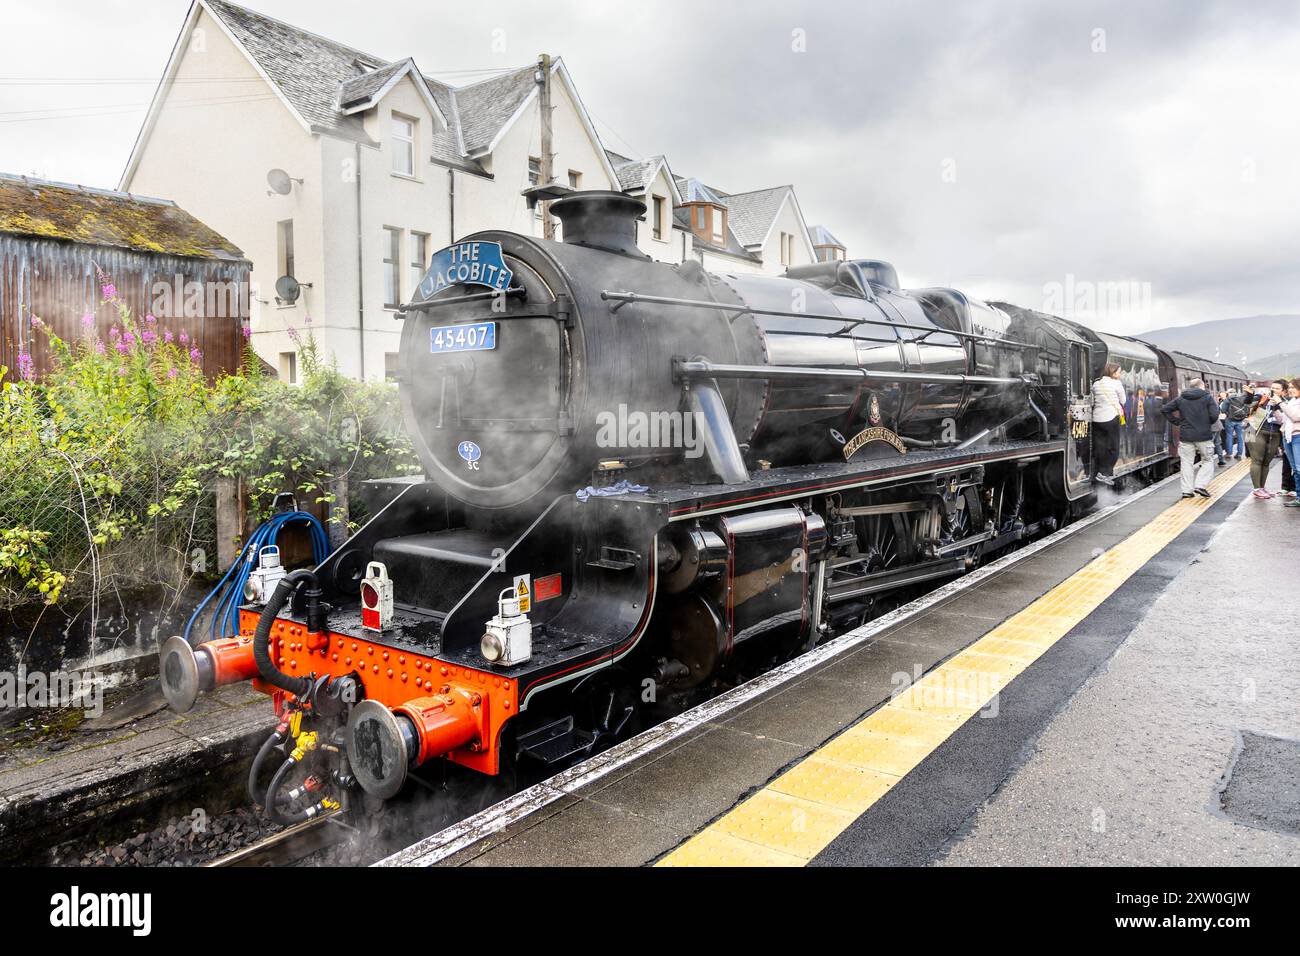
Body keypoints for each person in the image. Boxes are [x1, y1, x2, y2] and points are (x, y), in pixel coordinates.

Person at [1161, 377, 1219, 498]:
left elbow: (1165, 409)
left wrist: (1177, 421)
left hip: (1186, 437)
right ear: (1201, 386)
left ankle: (1187, 491)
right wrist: (1206, 423)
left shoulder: (1181, 398)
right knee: (1208, 460)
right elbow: (1214, 415)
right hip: (1204, 436)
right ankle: (1200, 485)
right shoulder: (1207, 397)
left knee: (1186, 463)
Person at [1248, 380, 1288, 499]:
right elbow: (1249, 412)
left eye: (1277, 388)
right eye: (1273, 388)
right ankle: (1256, 488)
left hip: (1274, 433)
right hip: (1254, 431)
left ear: (1284, 391)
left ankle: (1262, 488)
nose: (1274, 390)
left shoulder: (1285, 403)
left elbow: (1283, 420)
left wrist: (1277, 406)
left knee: (1266, 462)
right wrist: (1261, 403)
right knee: (1257, 460)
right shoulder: (1262, 398)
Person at [1091, 362, 1126, 485]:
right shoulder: (1116, 383)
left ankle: (1099, 472)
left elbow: (1093, 400)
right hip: (1111, 418)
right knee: (1113, 448)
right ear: (1113, 372)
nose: (1119, 374)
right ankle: (1105, 474)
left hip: (1097, 419)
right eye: (1118, 372)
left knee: (1100, 447)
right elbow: (1123, 400)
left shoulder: (1096, 384)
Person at [1280, 379, 1300, 506]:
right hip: (1288, 437)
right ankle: (1299, 496)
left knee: (1299, 468)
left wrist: (1280, 403)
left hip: (1298, 437)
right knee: (1295, 469)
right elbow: (1284, 419)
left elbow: (1295, 417)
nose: (1291, 389)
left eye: (1294, 387)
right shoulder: (1292, 401)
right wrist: (1274, 409)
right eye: (1290, 387)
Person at [1223, 385, 1251, 460]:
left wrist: (1228, 412)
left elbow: (1223, 409)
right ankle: (1239, 454)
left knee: (1229, 436)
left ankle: (1229, 453)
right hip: (1240, 420)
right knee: (1240, 437)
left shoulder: (1228, 399)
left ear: (1229, 393)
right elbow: (1247, 408)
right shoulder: (1242, 398)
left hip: (1230, 420)